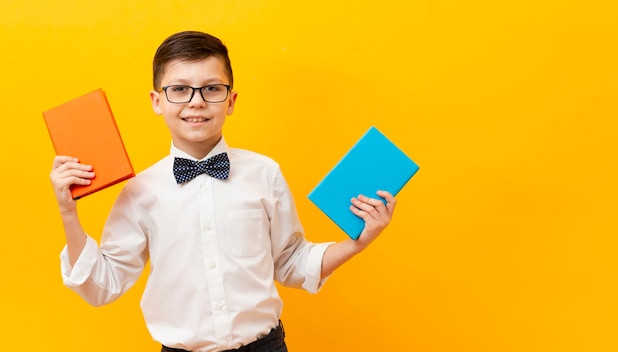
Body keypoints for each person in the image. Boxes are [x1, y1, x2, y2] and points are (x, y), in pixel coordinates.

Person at [49, 30, 396, 352]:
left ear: (230, 101)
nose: (196, 102)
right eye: (180, 89)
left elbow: (290, 262)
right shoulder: (139, 192)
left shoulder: (265, 173)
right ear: (157, 101)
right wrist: (68, 211)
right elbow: (102, 285)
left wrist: (356, 243)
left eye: (211, 89)